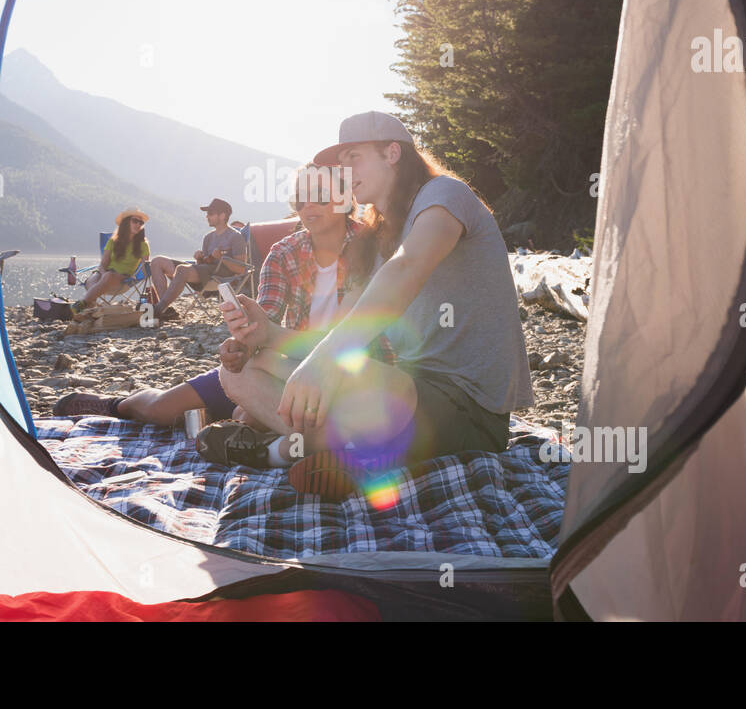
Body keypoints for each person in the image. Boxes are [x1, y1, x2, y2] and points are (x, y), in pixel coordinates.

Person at [204, 111, 532, 499]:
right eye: (341, 163)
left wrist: (326, 360)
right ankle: (343, 453)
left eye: (353, 157)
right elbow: (342, 335)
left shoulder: (444, 195)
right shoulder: (378, 238)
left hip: (468, 409)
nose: (345, 170)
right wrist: (269, 334)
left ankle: (279, 451)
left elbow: (408, 267)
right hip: (402, 389)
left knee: (358, 384)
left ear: (392, 153)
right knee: (239, 372)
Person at [53, 168, 386, 426]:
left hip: (353, 373)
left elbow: (367, 334)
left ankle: (238, 423)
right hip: (286, 364)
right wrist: (241, 344)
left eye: (319, 196)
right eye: (301, 200)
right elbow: (265, 317)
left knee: (251, 417)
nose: (308, 207)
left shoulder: (375, 248)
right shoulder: (285, 252)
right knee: (161, 409)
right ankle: (113, 405)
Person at [148, 198, 247, 320]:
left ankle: (158, 309)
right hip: (204, 273)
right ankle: (165, 310)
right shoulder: (208, 238)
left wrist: (222, 258)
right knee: (157, 261)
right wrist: (200, 258)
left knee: (182, 270)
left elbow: (241, 269)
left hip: (219, 277)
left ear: (222, 215)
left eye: (210, 213)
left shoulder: (236, 237)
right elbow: (202, 264)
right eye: (207, 214)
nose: (207, 217)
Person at [71, 209, 150, 314]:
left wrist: (146, 277)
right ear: (126, 223)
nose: (138, 224)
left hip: (123, 279)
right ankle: (91, 307)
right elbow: (103, 264)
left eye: (141, 222)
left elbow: (146, 267)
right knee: (90, 281)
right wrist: (103, 274)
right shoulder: (113, 241)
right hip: (105, 275)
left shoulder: (143, 245)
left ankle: (81, 304)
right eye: (135, 221)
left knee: (108, 276)